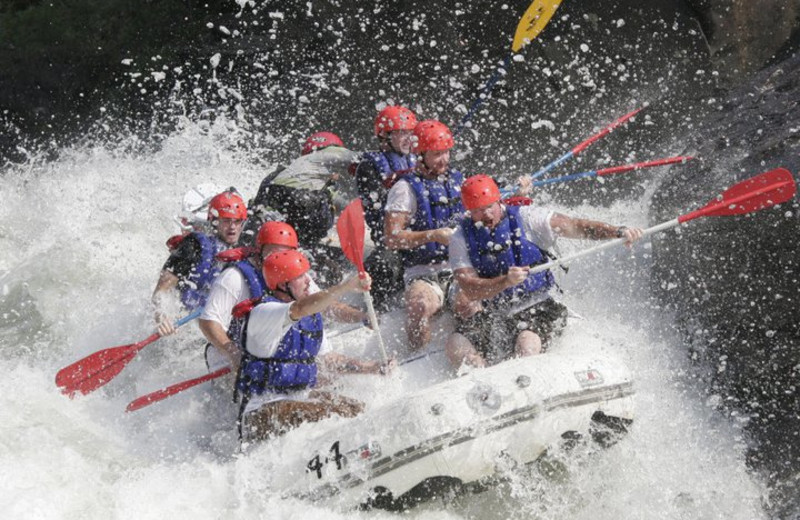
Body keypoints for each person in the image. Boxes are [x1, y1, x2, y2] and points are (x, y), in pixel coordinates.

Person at [446, 174, 644, 368]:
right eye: (479, 211)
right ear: (469, 212)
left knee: (526, 342)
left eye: (490, 207)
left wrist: (617, 231)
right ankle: (480, 381)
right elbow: (470, 289)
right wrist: (505, 281)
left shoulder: (527, 217)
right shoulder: (460, 238)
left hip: (539, 306)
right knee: (455, 343)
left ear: (499, 201)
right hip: (496, 314)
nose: (487, 215)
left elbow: (576, 226)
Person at [237, 250, 394, 441]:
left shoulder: (309, 319)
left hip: (300, 396)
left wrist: (372, 367)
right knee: (329, 412)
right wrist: (346, 287)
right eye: (299, 277)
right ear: (282, 285)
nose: (308, 282)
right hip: (262, 410)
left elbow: (329, 360)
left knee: (358, 410)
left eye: (306, 275)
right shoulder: (265, 312)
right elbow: (300, 308)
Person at [199, 221, 369, 371]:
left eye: (287, 255)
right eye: (274, 254)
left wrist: (361, 317)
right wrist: (233, 354)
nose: (280, 260)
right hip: (229, 352)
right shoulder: (234, 277)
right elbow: (208, 321)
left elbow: (326, 305)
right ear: (259, 251)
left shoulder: (295, 276)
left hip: (269, 350)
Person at [384, 119, 471, 351]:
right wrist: (432, 235)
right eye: (436, 154)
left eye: (446, 153)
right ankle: (417, 358)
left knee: (470, 302)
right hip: (421, 272)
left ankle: (475, 350)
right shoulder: (404, 188)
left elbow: (489, 210)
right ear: (420, 154)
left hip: (459, 266)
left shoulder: (458, 181)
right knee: (419, 306)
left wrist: (520, 194)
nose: (444, 160)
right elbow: (392, 237)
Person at [244, 131, 358, 284]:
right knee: (330, 272)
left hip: (292, 246)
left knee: (343, 259)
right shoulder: (296, 189)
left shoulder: (314, 185)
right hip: (277, 250)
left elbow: (340, 203)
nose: (337, 172)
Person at [152, 190, 247, 336]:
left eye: (237, 221)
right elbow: (161, 290)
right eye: (226, 221)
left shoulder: (246, 251)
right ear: (214, 221)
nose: (232, 227)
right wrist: (163, 319)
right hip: (185, 324)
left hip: (219, 324)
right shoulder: (193, 246)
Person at [355, 105, 418, 311]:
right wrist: (398, 183)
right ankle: (376, 313)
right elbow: (376, 208)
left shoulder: (420, 160)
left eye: (411, 132)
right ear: (384, 136)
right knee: (383, 263)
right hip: (393, 242)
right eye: (402, 133)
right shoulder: (369, 165)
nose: (408, 138)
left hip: (424, 236)